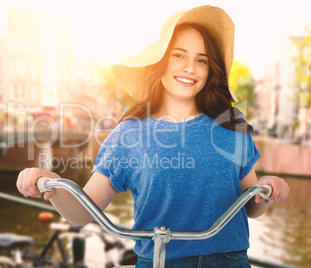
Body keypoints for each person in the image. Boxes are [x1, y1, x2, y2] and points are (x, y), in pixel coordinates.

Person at [16, 5, 290, 267]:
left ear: (210, 70)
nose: (190, 68)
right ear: (160, 62)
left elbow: (251, 208)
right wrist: (53, 184)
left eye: (201, 60)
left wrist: (265, 189)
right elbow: (81, 212)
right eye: (179, 55)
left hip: (231, 262)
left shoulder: (231, 124)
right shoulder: (129, 134)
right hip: (159, 261)